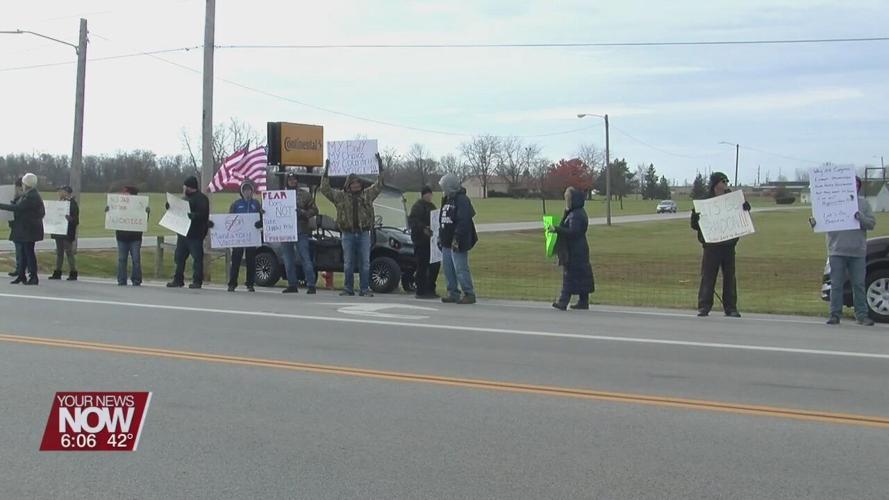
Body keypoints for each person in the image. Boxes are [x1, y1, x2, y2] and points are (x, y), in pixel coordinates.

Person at [812, 176, 876, 326]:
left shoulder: (863, 204)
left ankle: (861, 315)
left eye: (857, 185)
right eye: (851, 183)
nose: (854, 186)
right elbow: (820, 222)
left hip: (857, 251)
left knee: (859, 285)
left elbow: (871, 224)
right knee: (836, 284)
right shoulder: (830, 202)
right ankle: (834, 315)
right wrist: (814, 223)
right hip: (836, 250)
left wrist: (860, 217)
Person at [320, 155, 384, 297]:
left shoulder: (367, 195)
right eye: (353, 183)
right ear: (348, 185)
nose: (356, 186)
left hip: (363, 234)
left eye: (357, 183)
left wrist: (380, 166)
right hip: (347, 234)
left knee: (365, 263)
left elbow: (380, 184)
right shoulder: (340, 197)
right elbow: (324, 189)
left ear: (361, 185)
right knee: (348, 263)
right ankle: (348, 288)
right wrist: (326, 171)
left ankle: (364, 289)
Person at [690, 171, 751, 317]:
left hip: (728, 245)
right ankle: (704, 306)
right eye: (723, 181)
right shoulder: (705, 201)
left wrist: (745, 208)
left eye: (726, 182)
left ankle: (731, 308)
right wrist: (696, 218)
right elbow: (694, 225)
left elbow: (740, 217)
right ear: (715, 183)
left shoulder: (732, 200)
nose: (725, 184)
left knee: (730, 277)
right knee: (708, 277)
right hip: (711, 246)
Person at [549, 187, 594, 311]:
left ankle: (563, 302)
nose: (566, 201)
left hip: (575, 250)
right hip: (579, 249)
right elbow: (566, 226)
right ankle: (583, 301)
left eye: (568, 199)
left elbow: (573, 232)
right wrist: (566, 213)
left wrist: (556, 229)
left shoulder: (576, 215)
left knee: (569, 275)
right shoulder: (575, 212)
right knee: (581, 274)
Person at [437, 173, 478, 304]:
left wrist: (457, 238)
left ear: (450, 186)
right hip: (446, 241)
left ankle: (469, 293)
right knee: (448, 269)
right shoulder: (446, 199)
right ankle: (453, 292)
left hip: (457, 241)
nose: (443, 190)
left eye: (444, 187)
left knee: (460, 268)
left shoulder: (462, 200)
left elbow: (463, 221)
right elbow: (442, 218)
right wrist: (440, 236)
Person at [0, 173, 45, 285]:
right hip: (25, 229)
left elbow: (19, 208)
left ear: (25, 184)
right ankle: (21, 275)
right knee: (24, 253)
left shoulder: (31, 196)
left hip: (28, 230)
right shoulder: (27, 195)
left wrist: (2, 205)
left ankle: (33, 276)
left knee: (29, 253)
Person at [167, 175, 210, 289]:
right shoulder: (184, 198)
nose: (183, 188)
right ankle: (178, 280)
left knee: (197, 258)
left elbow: (203, 214)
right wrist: (170, 207)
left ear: (190, 187)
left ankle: (197, 281)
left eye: (185, 186)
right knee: (179, 258)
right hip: (183, 233)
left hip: (195, 234)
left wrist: (193, 216)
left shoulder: (201, 199)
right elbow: (178, 211)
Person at [279, 172, 319, 294]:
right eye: (290, 180)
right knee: (288, 259)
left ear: (297, 181)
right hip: (285, 231)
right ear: (287, 181)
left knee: (305, 257)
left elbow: (315, 210)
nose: (292, 181)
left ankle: (311, 284)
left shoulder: (305, 195)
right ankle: (292, 284)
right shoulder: (280, 195)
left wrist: (303, 213)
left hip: (301, 230)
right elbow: (272, 209)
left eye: (294, 179)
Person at [107, 186, 150, 286]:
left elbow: (143, 221)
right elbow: (113, 216)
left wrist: (146, 212)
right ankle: (121, 279)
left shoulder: (139, 206)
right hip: (121, 237)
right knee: (122, 259)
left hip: (135, 237)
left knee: (136, 259)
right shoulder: (120, 205)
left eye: (126, 193)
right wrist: (109, 211)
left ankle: (136, 279)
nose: (123, 195)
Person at [227, 179, 264, 292]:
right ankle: (232, 283)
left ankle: (250, 283)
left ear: (252, 191)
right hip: (239, 237)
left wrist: (260, 223)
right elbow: (229, 219)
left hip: (251, 237)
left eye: (249, 190)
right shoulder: (236, 204)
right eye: (245, 190)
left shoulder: (256, 204)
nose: (247, 192)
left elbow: (262, 217)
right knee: (236, 260)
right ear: (241, 192)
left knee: (251, 261)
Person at [408, 186, 440, 298]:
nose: (429, 196)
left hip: (432, 242)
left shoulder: (432, 206)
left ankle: (431, 289)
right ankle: (421, 290)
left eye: (431, 194)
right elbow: (413, 221)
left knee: (434, 265)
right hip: (421, 241)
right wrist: (423, 228)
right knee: (422, 266)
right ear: (423, 195)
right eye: (427, 194)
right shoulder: (417, 207)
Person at [48, 186, 79, 281]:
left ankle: (73, 272)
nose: (59, 193)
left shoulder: (72, 204)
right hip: (58, 231)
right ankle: (57, 271)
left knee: (69, 252)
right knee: (59, 252)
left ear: (66, 193)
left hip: (67, 232)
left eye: (61, 191)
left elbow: (76, 220)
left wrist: (70, 219)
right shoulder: (59, 203)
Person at [6, 178, 23, 278]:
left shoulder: (22, 199)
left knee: (20, 250)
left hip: (21, 228)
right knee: (18, 249)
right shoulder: (17, 199)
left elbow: (16, 210)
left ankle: (20, 269)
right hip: (16, 227)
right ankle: (18, 268)